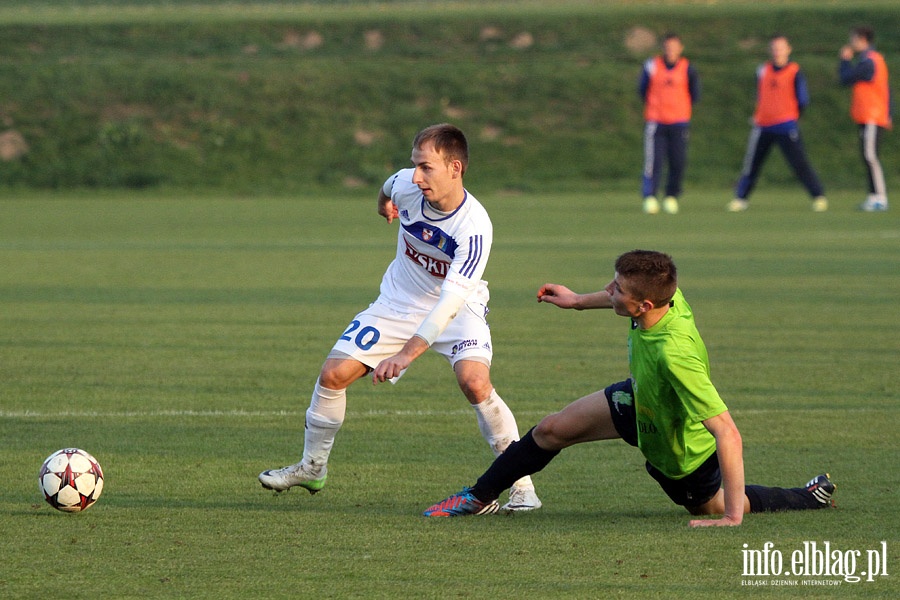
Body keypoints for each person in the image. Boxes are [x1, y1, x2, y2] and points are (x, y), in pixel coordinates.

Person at [423, 250, 835, 526]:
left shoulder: (675, 354)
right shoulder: (665, 297)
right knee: (552, 430)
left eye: (617, 290)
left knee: (718, 502)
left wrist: (730, 520)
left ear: (644, 307)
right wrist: (579, 301)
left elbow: (727, 432)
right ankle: (478, 496)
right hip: (639, 400)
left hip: (679, 448)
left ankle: (805, 497)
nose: (611, 291)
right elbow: (617, 295)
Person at [259, 124, 540, 511]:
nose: (417, 176)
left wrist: (405, 356)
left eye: (427, 168)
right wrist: (382, 204)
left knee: (475, 382)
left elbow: (447, 305)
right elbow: (389, 186)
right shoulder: (405, 184)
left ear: (455, 168)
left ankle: (521, 484)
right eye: (415, 166)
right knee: (332, 375)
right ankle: (312, 467)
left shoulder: (474, 228)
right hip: (398, 302)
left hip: (458, 308)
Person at [727, 35, 827, 213]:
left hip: (786, 125)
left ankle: (818, 196)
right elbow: (760, 95)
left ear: (788, 49)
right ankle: (740, 198)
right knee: (752, 164)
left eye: (780, 48)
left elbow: (802, 99)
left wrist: (794, 116)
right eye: (774, 48)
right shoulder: (763, 70)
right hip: (763, 125)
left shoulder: (794, 71)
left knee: (800, 163)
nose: (777, 51)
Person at [638, 33, 700, 215]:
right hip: (656, 122)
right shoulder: (652, 66)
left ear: (680, 48)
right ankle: (650, 197)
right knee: (653, 162)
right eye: (667, 46)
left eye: (674, 46)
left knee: (678, 162)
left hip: (679, 122)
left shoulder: (688, 68)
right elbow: (642, 90)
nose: (670, 50)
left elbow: (695, 93)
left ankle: (671, 196)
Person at [839, 26, 892, 212]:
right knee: (867, 156)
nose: (851, 42)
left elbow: (845, 78)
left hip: (872, 115)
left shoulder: (869, 61)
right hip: (868, 115)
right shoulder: (871, 60)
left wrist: (845, 60)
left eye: (853, 38)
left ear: (862, 39)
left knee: (871, 156)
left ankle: (880, 197)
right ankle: (873, 196)